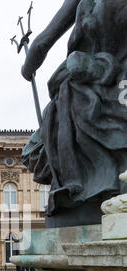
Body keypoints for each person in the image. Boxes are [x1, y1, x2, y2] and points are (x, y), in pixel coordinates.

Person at [21, 0, 127, 227]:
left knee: (42, 143)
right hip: (87, 81)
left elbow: (40, 45)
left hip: (103, 82)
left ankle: (89, 190)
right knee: (39, 146)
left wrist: (28, 65)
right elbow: (41, 44)